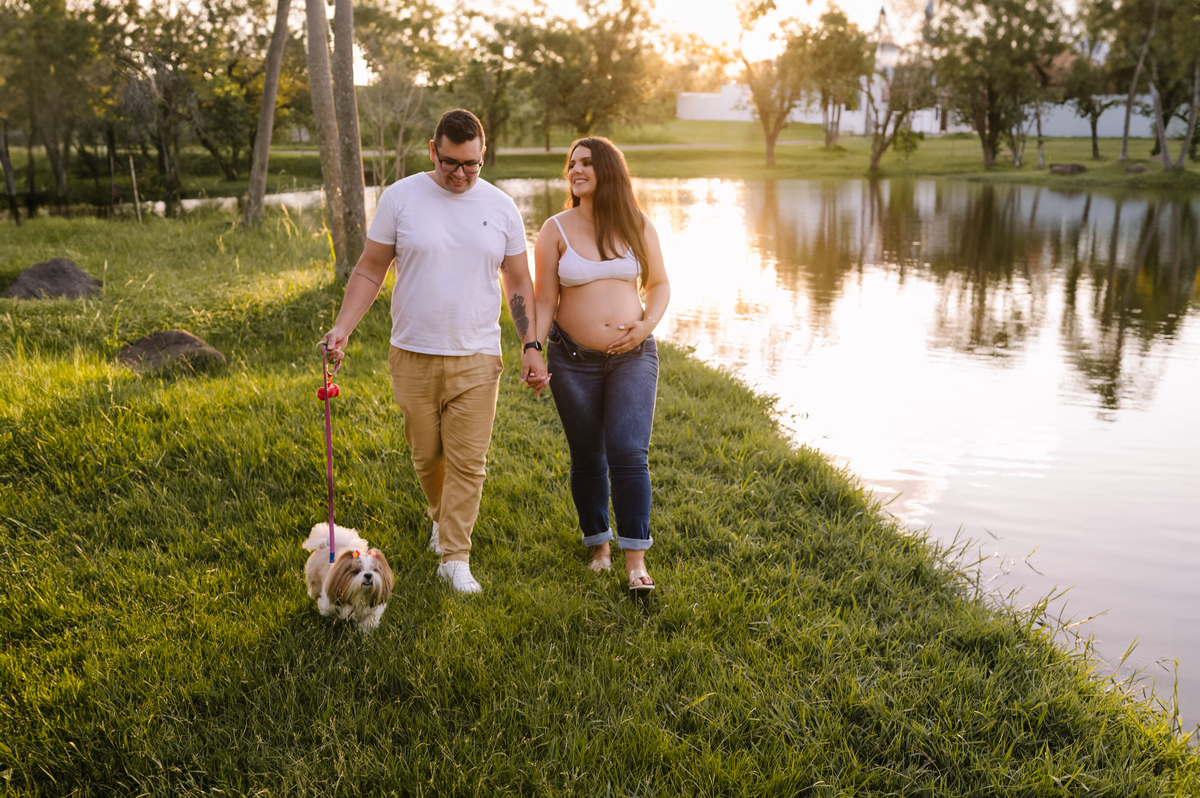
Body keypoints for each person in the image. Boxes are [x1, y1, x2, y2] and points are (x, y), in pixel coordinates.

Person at [320, 109, 547, 594]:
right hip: (413, 352)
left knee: (468, 462)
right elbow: (371, 269)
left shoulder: (502, 206)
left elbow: (517, 279)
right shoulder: (401, 197)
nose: (460, 174)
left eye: (471, 164)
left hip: (477, 355)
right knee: (427, 459)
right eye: (450, 163)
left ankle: (454, 558)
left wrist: (530, 343)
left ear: (483, 155)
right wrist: (343, 328)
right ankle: (441, 518)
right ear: (432, 151)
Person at [530, 137, 671, 592]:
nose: (576, 170)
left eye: (587, 163)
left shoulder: (637, 224)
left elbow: (660, 284)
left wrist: (646, 325)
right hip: (572, 359)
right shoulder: (555, 229)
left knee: (629, 451)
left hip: (633, 355)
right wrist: (532, 348)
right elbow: (544, 299)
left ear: (609, 170)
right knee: (588, 455)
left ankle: (635, 562)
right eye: (572, 163)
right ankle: (598, 546)